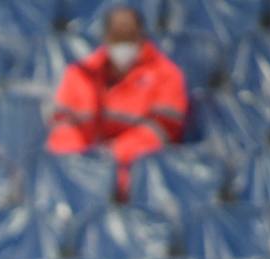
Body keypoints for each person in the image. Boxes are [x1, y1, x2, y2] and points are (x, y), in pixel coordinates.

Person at [46, 5, 187, 197]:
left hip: (137, 182)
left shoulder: (167, 75)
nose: (123, 43)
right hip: (80, 177)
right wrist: (83, 163)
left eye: (128, 36)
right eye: (116, 36)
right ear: (105, 38)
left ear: (141, 35)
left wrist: (112, 156)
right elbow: (62, 127)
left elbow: (163, 130)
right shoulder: (79, 74)